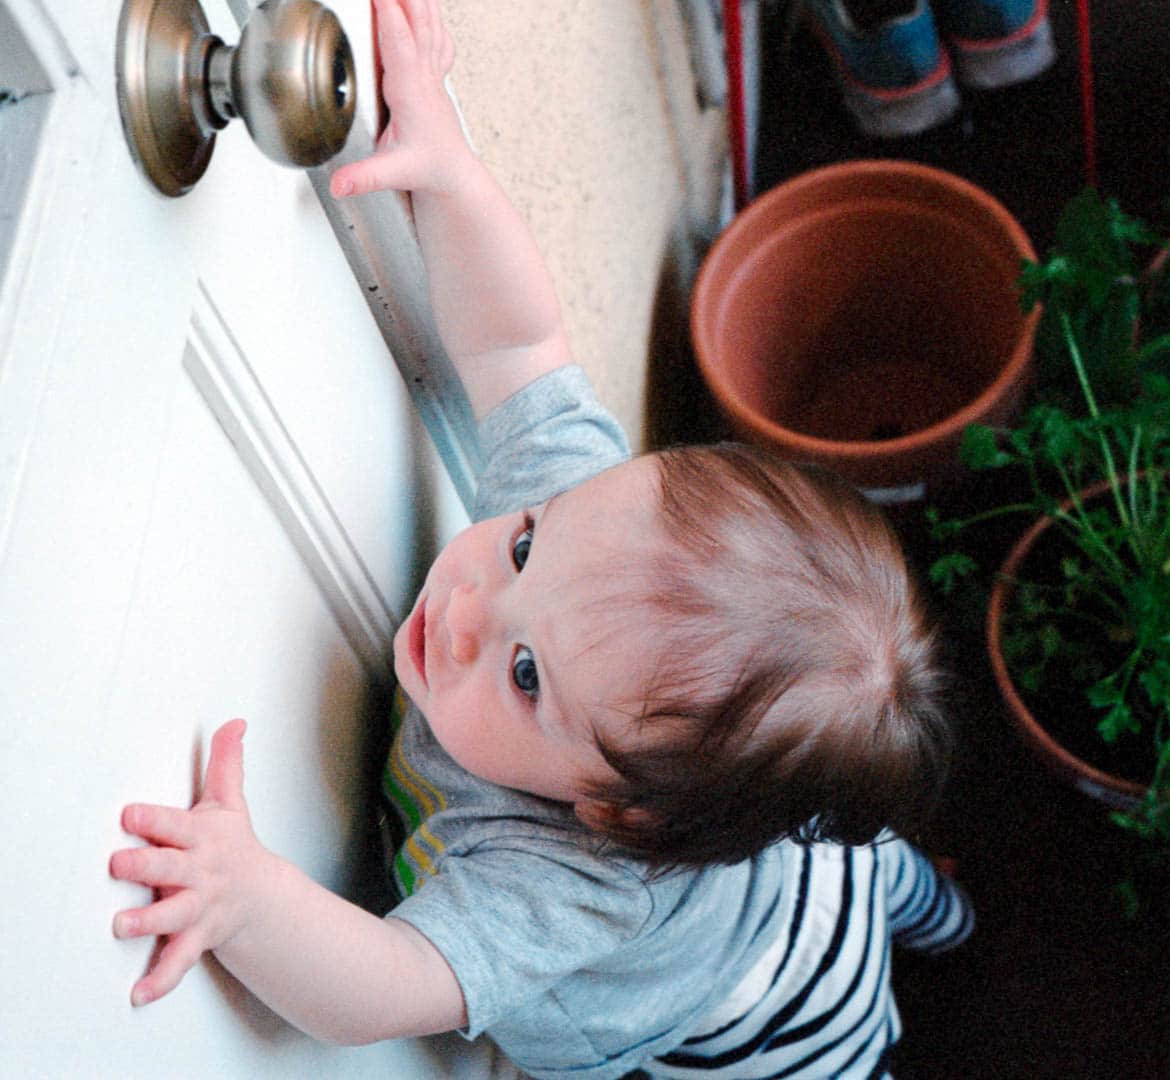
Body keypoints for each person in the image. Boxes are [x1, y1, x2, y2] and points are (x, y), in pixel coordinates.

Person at [107, 0, 971, 1075]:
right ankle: (932, 903)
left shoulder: (571, 883)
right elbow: (520, 342)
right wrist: (444, 164)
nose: (469, 604)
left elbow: (387, 983)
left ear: (613, 809)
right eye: (521, 546)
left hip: (748, 1017)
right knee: (864, 866)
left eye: (525, 674)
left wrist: (250, 901)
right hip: (800, 863)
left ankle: (925, 926)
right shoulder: (582, 526)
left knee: (846, 1029)